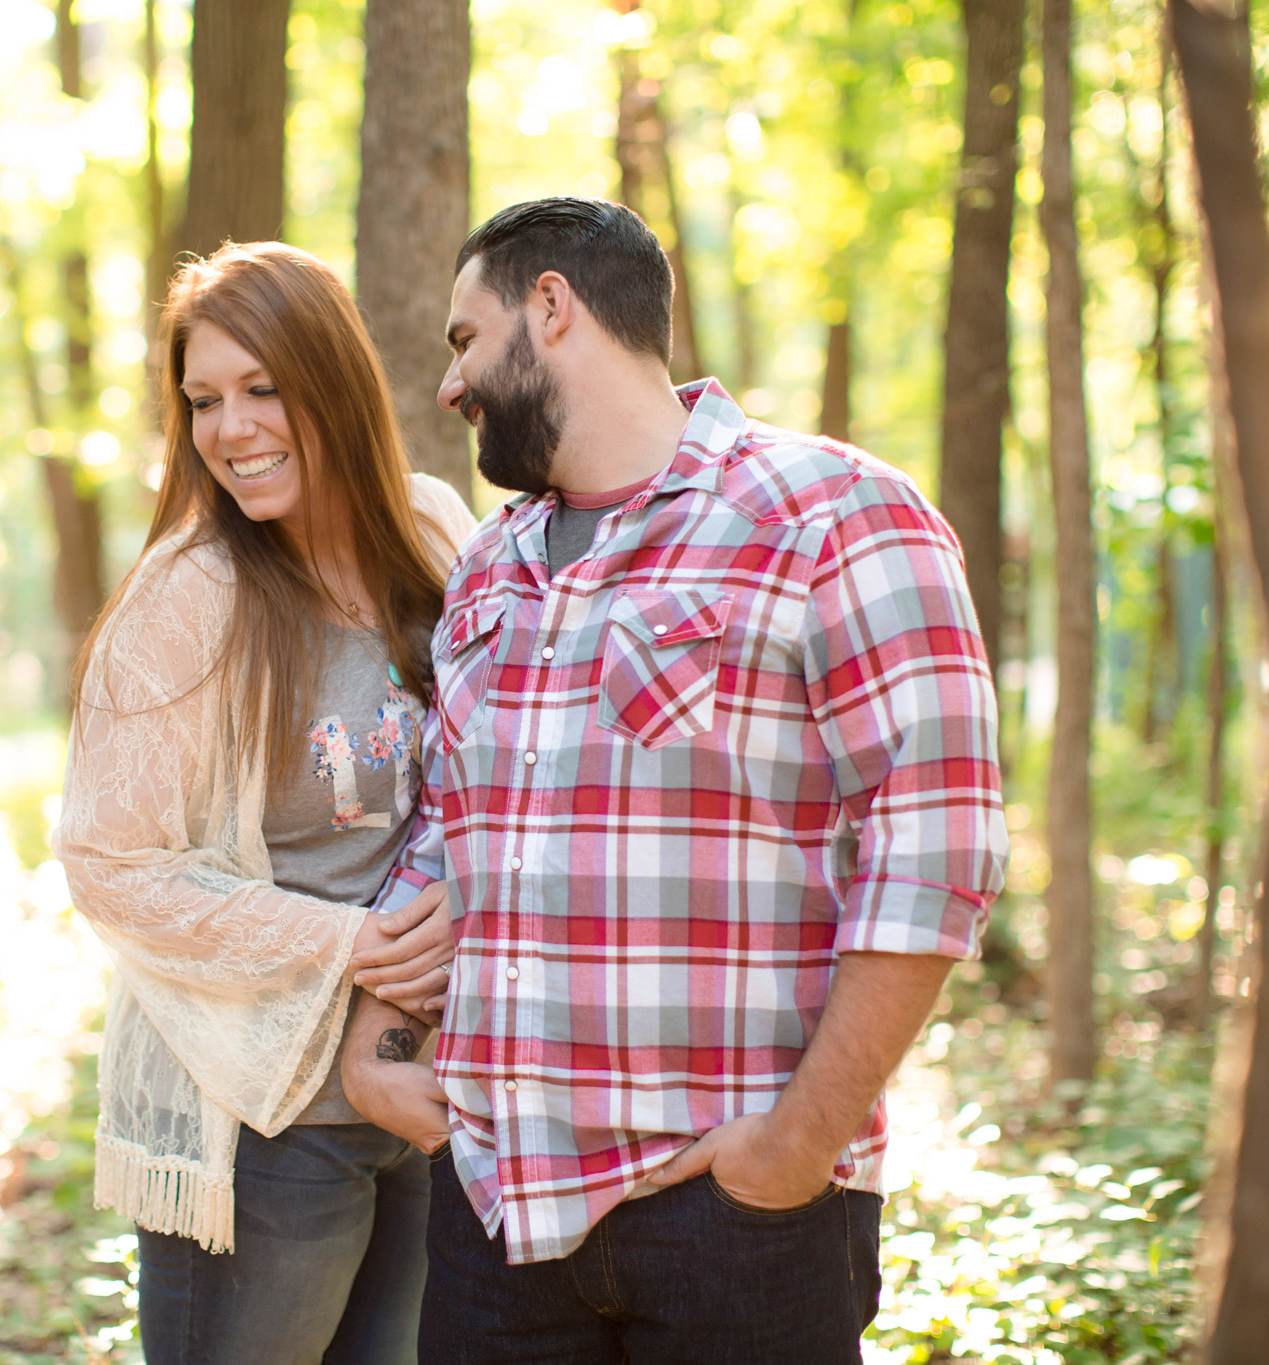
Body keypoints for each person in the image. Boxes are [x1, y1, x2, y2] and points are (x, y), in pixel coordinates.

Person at [339, 198, 1010, 1363]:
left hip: (736, 1219)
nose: (448, 388)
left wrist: (793, 1149)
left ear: (549, 308)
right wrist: (372, 1042)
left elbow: (936, 848)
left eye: (463, 338)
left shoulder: (834, 513)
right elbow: (445, 831)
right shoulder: (492, 560)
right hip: (495, 1214)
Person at [52, 241, 479, 1365]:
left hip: (416, 1095)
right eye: (202, 400)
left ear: (332, 381)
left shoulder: (433, 532)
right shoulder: (191, 598)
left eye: (262, 389)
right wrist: (352, 944)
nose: (229, 429)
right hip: (262, 1112)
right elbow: (110, 861)